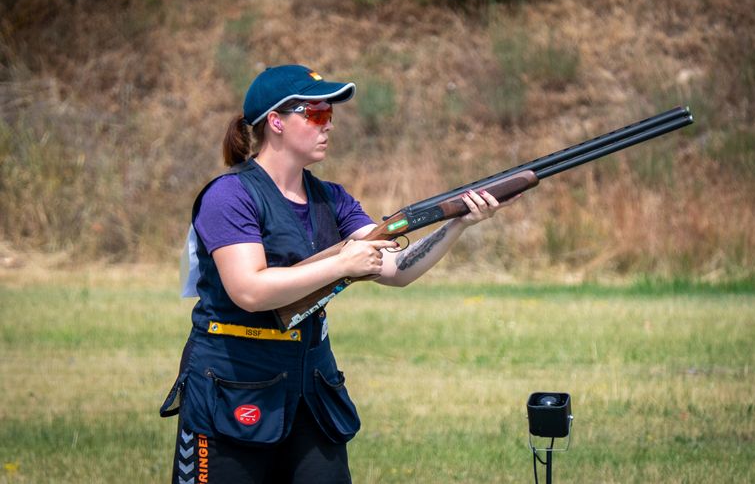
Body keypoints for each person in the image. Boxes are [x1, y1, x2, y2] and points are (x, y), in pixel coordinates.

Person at [160, 64, 516, 484]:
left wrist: (458, 223)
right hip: (233, 387)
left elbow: (396, 267)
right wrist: (342, 264)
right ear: (276, 121)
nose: (328, 125)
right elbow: (249, 290)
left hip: (310, 389)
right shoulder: (230, 195)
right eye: (316, 115)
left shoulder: (332, 199)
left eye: (330, 115)